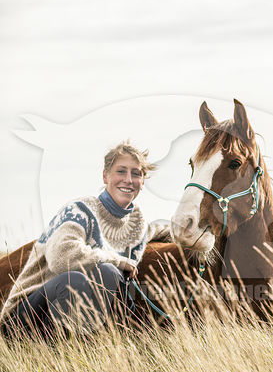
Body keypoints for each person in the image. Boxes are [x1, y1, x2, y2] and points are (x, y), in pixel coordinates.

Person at [0, 141, 168, 338]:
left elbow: (162, 230)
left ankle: (75, 347)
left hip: (66, 317)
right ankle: (56, 347)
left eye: (136, 173)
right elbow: (61, 256)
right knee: (88, 277)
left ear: (143, 181)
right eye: (121, 171)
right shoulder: (79, 210)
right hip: (26, 314)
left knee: (109, 274)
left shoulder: (137, 226)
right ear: (105, 176)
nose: (128, 180)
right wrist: (116, 260)